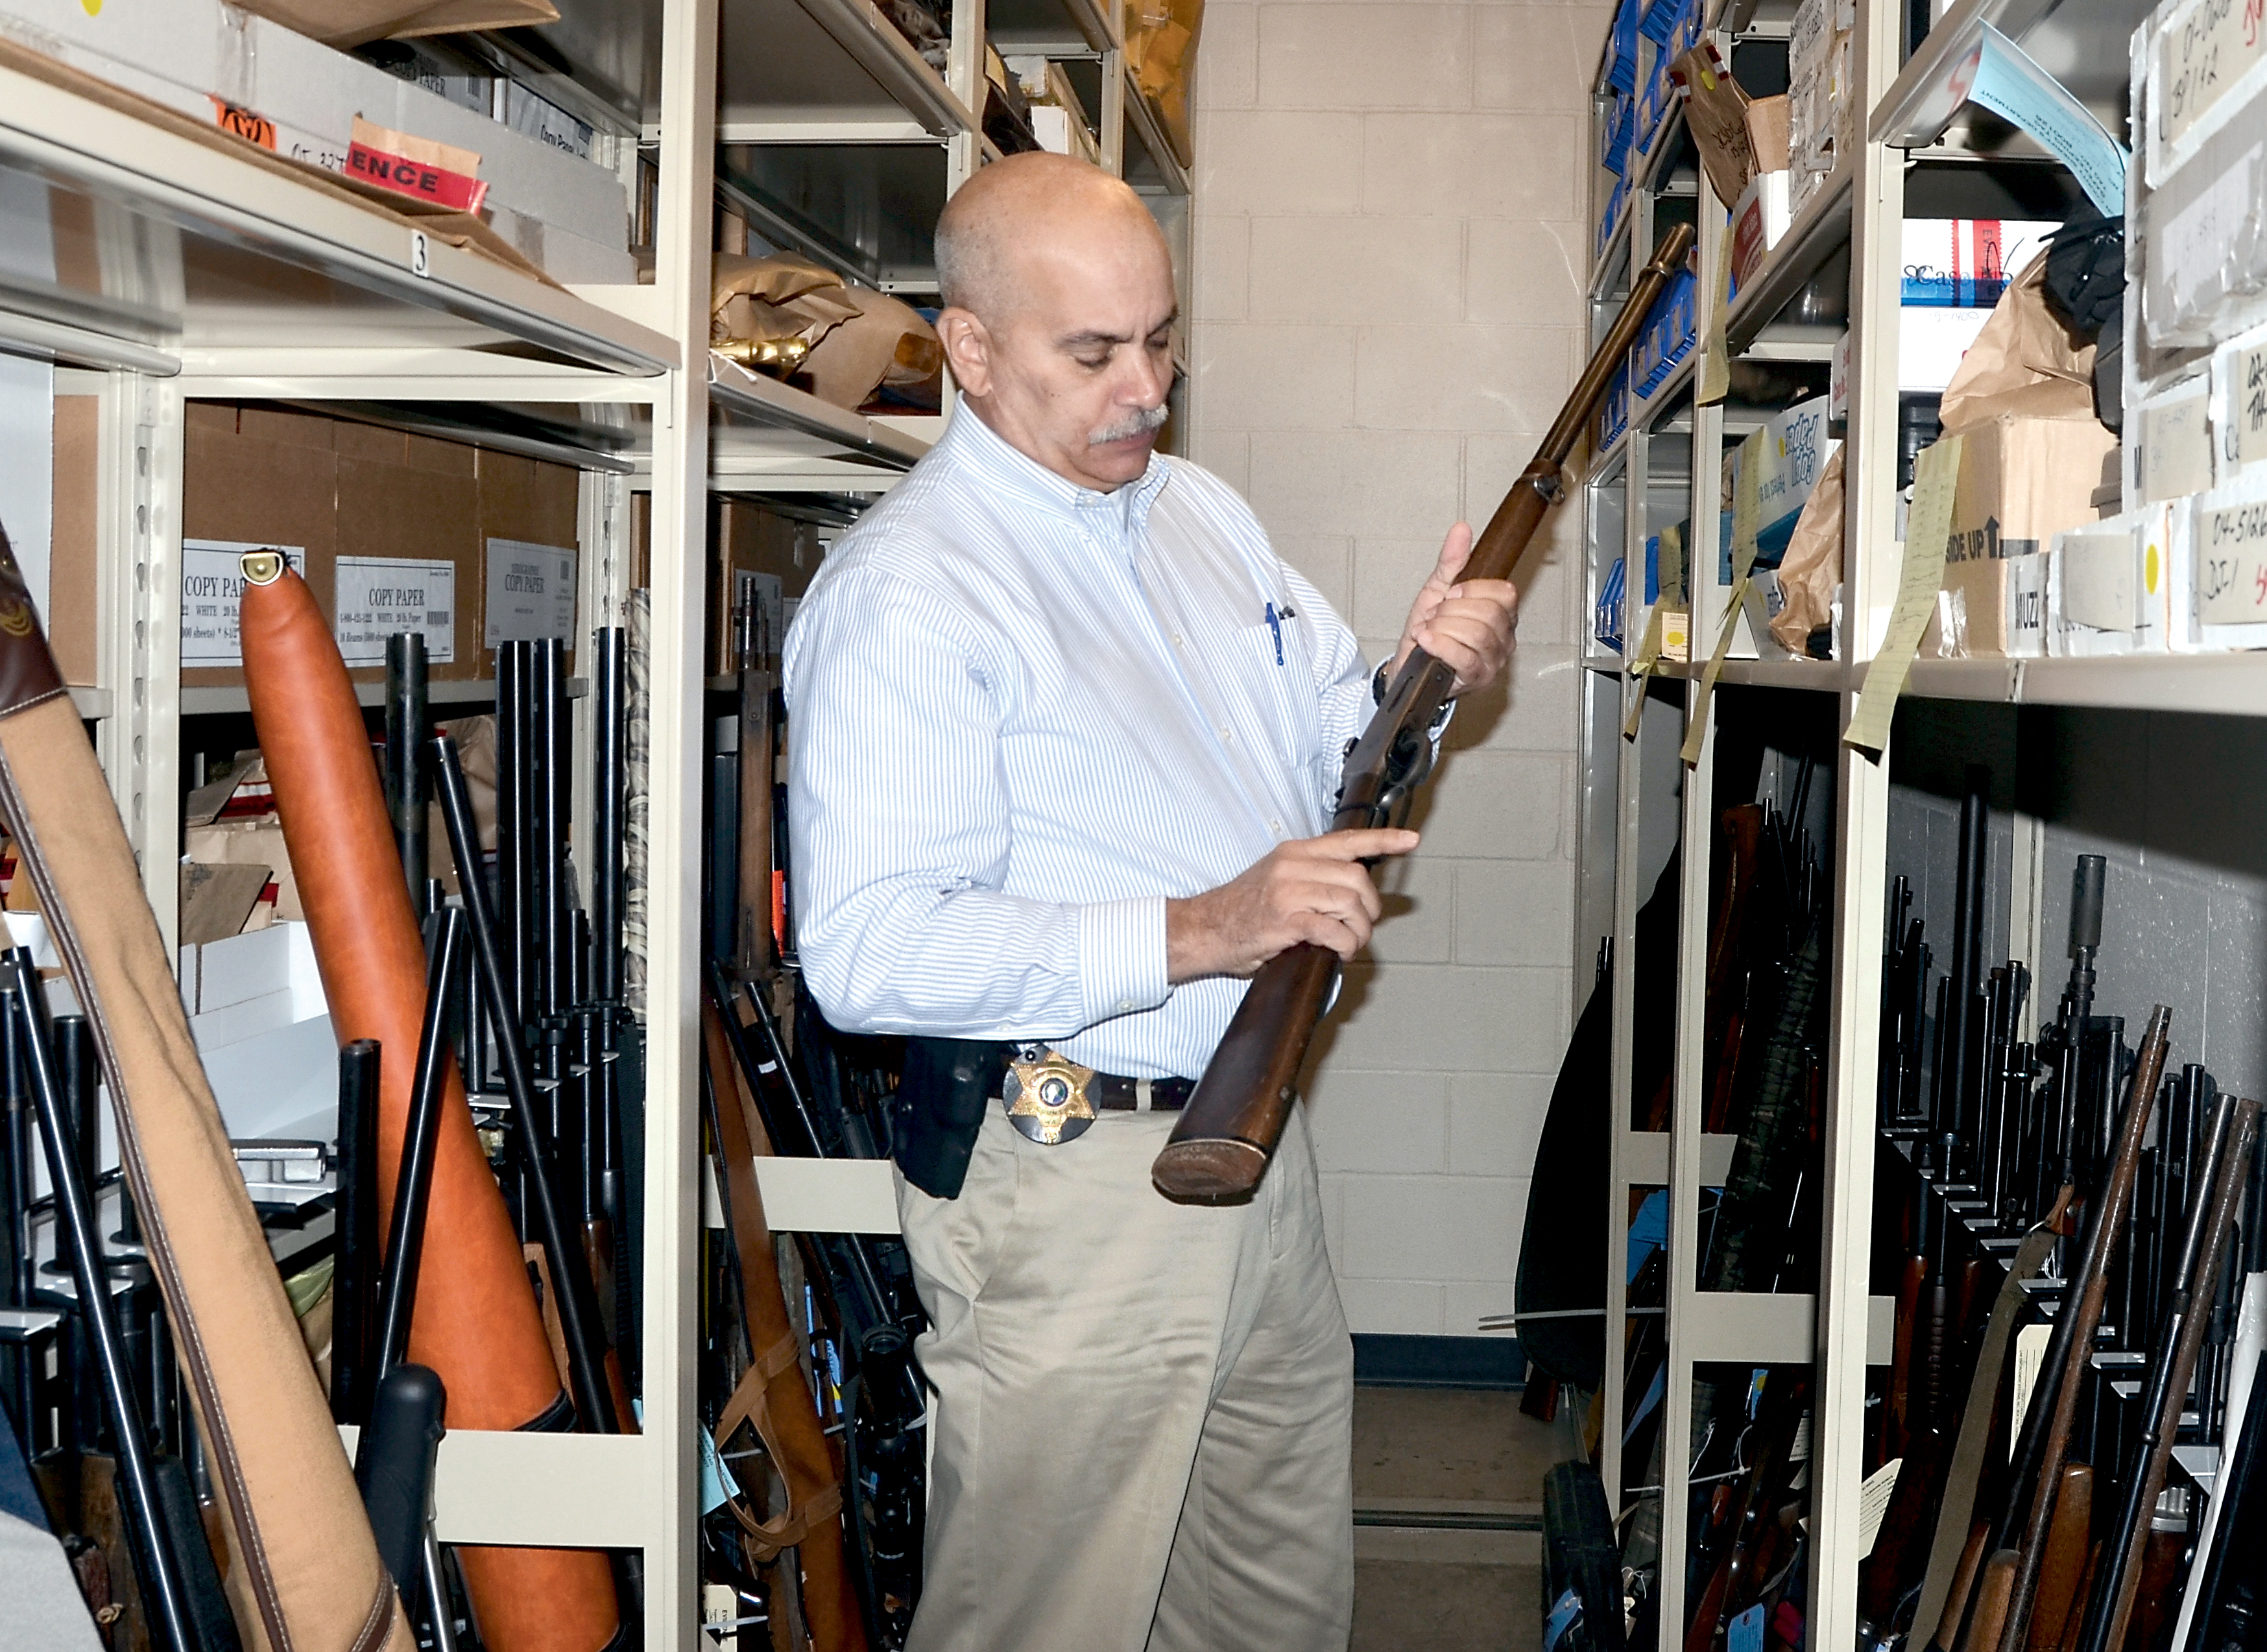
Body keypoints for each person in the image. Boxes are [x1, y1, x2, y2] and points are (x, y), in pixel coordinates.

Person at [784, 151, 1519, 1652]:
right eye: (1095, 351)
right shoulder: (909, 594)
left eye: (1164, 339)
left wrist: (1419, 683)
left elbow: (1330, 738)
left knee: (1269, 1607)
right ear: (972, 349)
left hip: (1246, 1148)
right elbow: (864, 952)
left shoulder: (1192, 510)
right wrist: (1204, 926)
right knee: (1044, 1619)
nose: (1145, 386)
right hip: (1067, 1187)